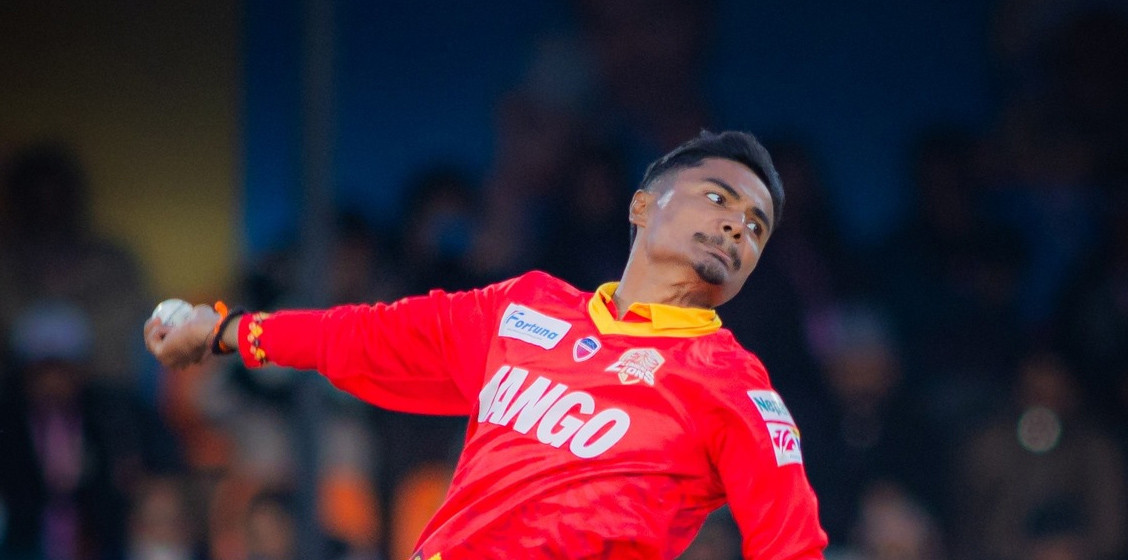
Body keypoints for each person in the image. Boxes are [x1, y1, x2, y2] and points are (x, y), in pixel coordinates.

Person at [144, 131, 828, 559]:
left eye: (757, 227)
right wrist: (228, 332)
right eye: (718, 198)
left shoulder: (735, 386)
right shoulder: (524, 308)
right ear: (643, 205)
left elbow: (792, 546)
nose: (738, 227)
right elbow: (367, 336)